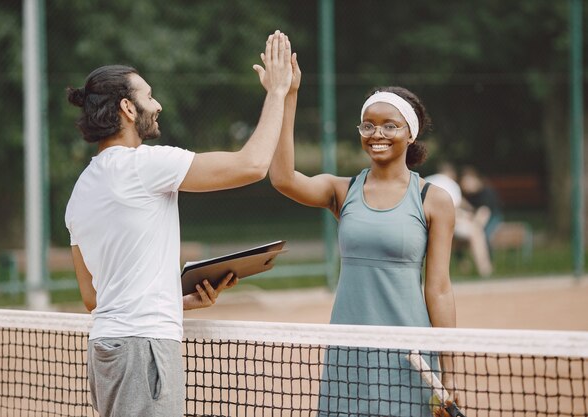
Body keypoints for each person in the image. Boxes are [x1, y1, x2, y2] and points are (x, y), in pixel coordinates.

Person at [64, 31, 292, 417]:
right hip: (144, 349)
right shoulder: (143, 166)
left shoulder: (81, 191)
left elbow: (94, 298)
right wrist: (278, 92)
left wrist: (178, 301)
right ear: (128, 108)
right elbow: (252, 165)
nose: (159, 105)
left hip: (107, 350)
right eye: (149, 96)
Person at [268, 54, 457, 416]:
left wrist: (450, 373)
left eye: (390, 126)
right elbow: (283, 178)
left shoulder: (433, 200)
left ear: (410, 133)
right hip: (348, 348)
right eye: (368, 126)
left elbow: (440, 288)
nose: (377, 135)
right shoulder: (342, 191)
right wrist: (288, 94)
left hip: (410, 353)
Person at [426, 163, 493, 277]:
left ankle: (463, 266)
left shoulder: (425, 181)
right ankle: (485, 270)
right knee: (475, 233)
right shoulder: (450, 184)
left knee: (457, 240)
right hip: (444, 224)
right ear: (451, 174)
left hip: (424, 224)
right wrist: (468, 215)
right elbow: (453, 209)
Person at [459, 165, 503, 253]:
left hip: (493, 216)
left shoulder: (486, 192)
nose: (465, 185)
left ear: (475, 180)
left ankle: (488, 259)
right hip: (476, 218)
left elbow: (484, 211)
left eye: (468, 182)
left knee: (484, 234)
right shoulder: (468, 195)